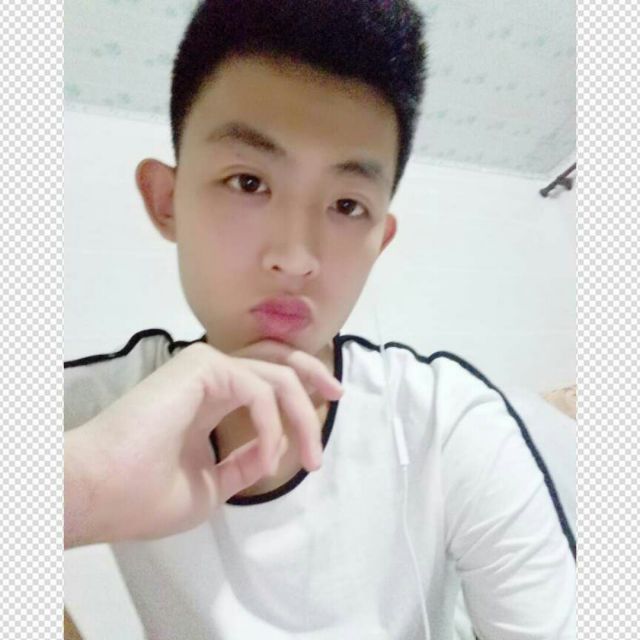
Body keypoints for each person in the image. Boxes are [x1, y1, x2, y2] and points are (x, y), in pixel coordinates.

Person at [64, 1, 576, 638]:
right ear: (166, 201)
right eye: (248, 182)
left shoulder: (447, 425)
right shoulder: (100, 411)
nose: (296, 258)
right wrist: (78, 489)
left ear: (379, 241)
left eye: (346, 205)